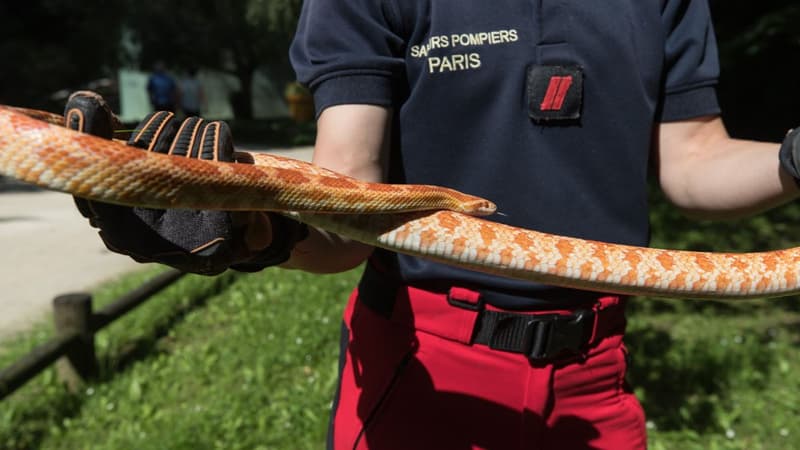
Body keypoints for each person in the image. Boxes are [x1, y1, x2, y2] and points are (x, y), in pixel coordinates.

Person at [63, 1, 800, 448]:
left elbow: (694, 157)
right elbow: (347, 195)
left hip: (596, 374)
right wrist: (259, 234)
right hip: (423, 366)